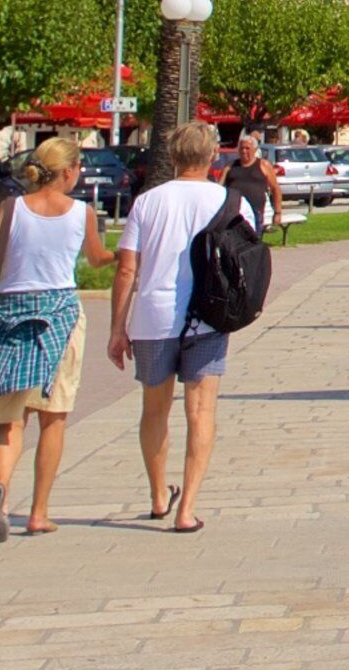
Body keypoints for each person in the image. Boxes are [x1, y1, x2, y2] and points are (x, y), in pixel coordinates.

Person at [0, 137, 110, 541]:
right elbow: (96, 259)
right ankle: (39, 512)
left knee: (10, 419)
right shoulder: (82, 212)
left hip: (11, 313)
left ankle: (1, 492)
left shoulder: (10, 209)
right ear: (68, 171)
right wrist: (126, 254)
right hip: (59, 315)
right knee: (53, 418)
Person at [106, 122, 248, 532]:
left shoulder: (148, 202)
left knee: (154, 409)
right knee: (200, 411)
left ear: (173, 156)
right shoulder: (230, 200)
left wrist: (118, 327)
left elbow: (127, 269)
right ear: (212, 156)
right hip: (208, 317)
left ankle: (156, 495)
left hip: (153, 316)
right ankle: (187, 508)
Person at [222, 131, 280, 227]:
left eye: (247, 148)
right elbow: (220, 187)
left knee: (253, 241)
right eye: (241, 148)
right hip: (234, 214)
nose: (244, 151)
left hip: (255, 213)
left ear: (255, 149)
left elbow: (275, 189)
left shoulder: (263, 165)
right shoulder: (230, 166)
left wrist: (277, 212)